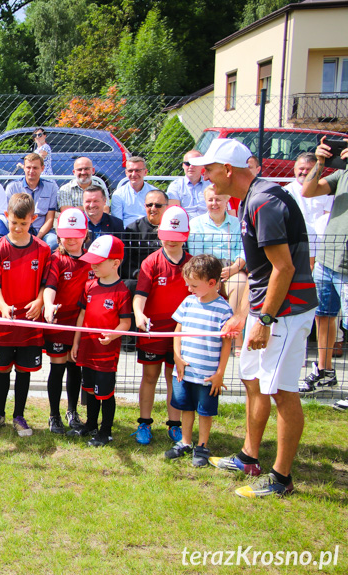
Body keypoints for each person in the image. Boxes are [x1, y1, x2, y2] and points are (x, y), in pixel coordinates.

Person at [192, 138, 317, 498]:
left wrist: (263, 318)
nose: (207, 177)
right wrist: (242, 314)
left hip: (285, 313)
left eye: (211, 169)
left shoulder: (264, 201)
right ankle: (248, 456)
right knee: (252, 378)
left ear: (228, 170)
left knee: (281, 390)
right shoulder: (251, 199)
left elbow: (284, 267)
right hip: (266, 309)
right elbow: (258, 267)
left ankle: (281, 479)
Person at [0, 193, 51, 437]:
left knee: (23, 370)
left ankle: (19, 416)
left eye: (24, 223)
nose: (18, 228)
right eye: (14, 223)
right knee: (2, 370)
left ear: (33, 219)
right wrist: (2, 305)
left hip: (30, 324)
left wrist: (40, 300)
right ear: (7, 217)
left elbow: (46, 283)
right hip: (4, 323)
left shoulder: (42, 249)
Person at [131, 205, 193, 445]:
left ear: (185, 236)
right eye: (167, 236)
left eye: (177, 237)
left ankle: (175, 425)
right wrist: (139, 313)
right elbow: (140, 295)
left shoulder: (192, 263)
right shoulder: (151, 263)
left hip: (180, 334)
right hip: (153, 330)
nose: (171, 242)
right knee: (149, 376)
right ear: (160, 235)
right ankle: (144, 423)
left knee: (175, 377)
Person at [165, 255, 234, 467]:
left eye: (194, 285)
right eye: (188, 284)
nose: (189, 289)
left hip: (208, 375)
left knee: (205, 411)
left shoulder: (224, 310)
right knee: (186, 407)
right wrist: (177, 357)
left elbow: (226, 345)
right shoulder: (187, 303)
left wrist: (220, 373)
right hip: (185, 371)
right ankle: (185, 442)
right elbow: (178, 332)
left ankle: (202, 446)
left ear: (212, 283)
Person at [69, 234, 132, 447]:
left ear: (115, 263)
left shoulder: (122, 291)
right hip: (87, 347)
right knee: (88, 389)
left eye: (98, 262)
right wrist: (77, 341)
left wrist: (113, 334)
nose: (93, 265)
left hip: (106, 352)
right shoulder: (89, 286)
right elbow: (81, 315)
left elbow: (125, 323)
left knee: (105, 392)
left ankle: (106, 431)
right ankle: (90, 425)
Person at [301, 135, 348, 411]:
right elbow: (308, 191)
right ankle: (324, 372)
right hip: (328, 262)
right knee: (324, 317)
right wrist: (320, 163)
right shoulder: (341, 175)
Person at [43, 208, 92, 434]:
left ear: (85, 234)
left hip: (81, 324)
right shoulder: (57, 259)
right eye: (66, 233)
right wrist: (50, 306)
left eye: (76, 233)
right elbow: (50, 288)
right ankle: (54, 415)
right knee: (58, 366)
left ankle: (72, 411)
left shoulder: (93, 261)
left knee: (75, 368)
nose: (71, 238)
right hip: (59, 322)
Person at [187, 186, 247, 330]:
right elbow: (197, 254)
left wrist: (234, 268)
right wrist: (213, 276)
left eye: (218, 199)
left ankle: (232, 331)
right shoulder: (195, 224)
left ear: (227, 201)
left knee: (240, 284)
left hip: (232, 269)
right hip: (205, 271)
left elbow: (243, 251)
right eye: (210, 200)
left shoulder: (237, 224)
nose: (214, 203)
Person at [6, 152, 59, 250]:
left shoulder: (51, 187)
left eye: (35, 168)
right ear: (24, 168)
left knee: (53, 242)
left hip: (43, 232)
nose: (31, 171)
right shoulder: (12, 187)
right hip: (19, 229)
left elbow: (50, 219)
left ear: (42, 168)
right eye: (28, 167)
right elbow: (10, 216)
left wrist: (38, 238)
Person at [120, 189, 169, 288]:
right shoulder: (133, 229)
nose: (153, 208)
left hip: (168, 275)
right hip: (141, 276)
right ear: (144, 206)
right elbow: (126, 261)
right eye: (149, 205)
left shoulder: (173, 228)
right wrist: (138, 274)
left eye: (158, 205)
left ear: (167, 207)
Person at [111, 156, 158, 227]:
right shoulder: (118, 194)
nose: (134, 174)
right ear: (126, 173)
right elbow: (117, 222)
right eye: (130, 171)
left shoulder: (155, 193)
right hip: (127, 233)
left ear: (145, 172)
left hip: (149, 232)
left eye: (137, 170)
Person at [167, 150, 208, 218]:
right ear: (183, 165)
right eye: (187, 163)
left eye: (195, 163)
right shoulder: (175, 186)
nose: (191, 166)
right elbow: (174, 212)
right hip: (184, 225)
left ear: (203, 165)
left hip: (207, 224)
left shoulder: (211, 185)